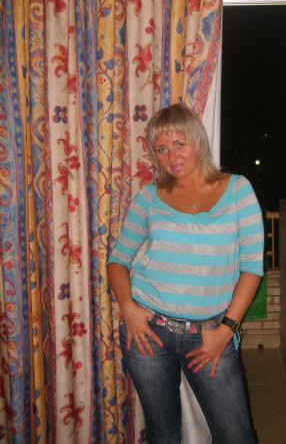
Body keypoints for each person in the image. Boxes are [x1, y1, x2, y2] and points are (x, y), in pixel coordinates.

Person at [107, 103, 264, 444]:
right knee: (163, 433)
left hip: (210, 334)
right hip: (148, 331)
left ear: (197, 141)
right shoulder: (149, 197)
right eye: (161, 149)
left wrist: (227, 329)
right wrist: (128, 308)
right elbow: (118, 259)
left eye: (180, 144)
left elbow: (252, 268)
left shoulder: (237, 190)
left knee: (236, 436)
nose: (171, 156)